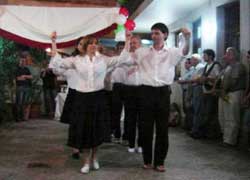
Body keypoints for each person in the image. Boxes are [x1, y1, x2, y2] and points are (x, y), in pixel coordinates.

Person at [49, 33, 128, 174]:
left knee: (97, 130)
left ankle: (95, 158)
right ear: (85, 46)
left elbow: (122, 58)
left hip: (98, 97)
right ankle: (86, 161)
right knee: (84, 130)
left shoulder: (103, 60)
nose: (93, 45)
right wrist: (53, 41)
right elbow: (57, 61)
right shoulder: (76, 60)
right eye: (90, 43)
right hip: (81, 98)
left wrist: (128, 38)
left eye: (95, 43)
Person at [123, 23, 190, 172]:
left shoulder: (172, 52)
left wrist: (187, 38)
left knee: (162, 129)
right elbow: (126, 59)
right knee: (145, 128)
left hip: (163, 93)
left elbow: (185, 51)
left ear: (165, 35)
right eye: (152, 33)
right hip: (145, 92)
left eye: (157, 33)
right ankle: (147, 160)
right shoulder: (142, 51)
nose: (154, 36)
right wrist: (128, 41)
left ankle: (160, 161)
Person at [219, 47, 246, 146]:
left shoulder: (238, 66)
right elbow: (219, 78)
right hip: (225, 93)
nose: (225, 56)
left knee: (232, 117)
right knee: (224, 116)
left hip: (234, 93)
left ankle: (230, 141)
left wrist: (224, 91)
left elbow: (233, 81)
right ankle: (225, 138)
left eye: (227, 54)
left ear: (233, 55)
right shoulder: (227, 67)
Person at [122, 35, 142, 153]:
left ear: (140, 44)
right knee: (130, 118)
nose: (133, 45)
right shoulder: (126, 56)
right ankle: (130, 143)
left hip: (142, 89)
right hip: (129, 89)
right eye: (131, 43)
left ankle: (141, 144)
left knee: (142, 119)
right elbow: (125, 61)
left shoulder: (145, 56)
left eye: (135, 43)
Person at [15, 54, 33, 121]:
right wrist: (25, 77)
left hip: (27, 87)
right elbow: (18, 78)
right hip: (20, 87)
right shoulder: (17, 69)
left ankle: (23, 117)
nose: (23, 62)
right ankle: (18, 118)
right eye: (22, 61)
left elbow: (31, 77)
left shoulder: (26, 69)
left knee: (24, 103)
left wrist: (24, 76)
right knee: (19, 103)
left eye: (24, 61)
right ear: (19, 62)